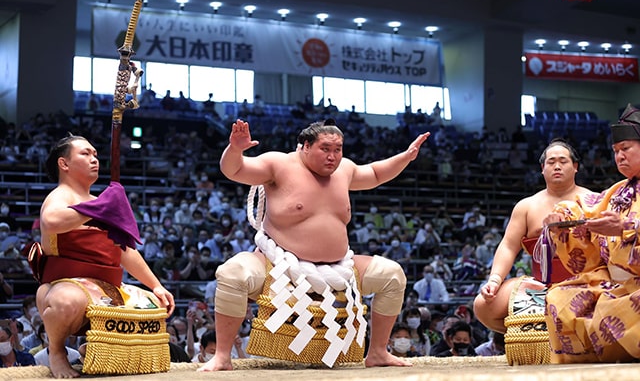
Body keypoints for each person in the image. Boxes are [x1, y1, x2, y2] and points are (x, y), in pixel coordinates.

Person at [199, 119, 430, 371]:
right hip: (279, 267)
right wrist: (235, 149)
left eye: (338, 149)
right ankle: (222, 356)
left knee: (392, 275)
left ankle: (377, 352)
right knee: (232, 273)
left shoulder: (345, 170)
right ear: (305, 146)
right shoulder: (279, 164)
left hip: (339, 270)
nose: (332, 156)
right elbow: (235, 170)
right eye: (325, 149)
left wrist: (406, 156)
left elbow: (375, 173)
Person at [34, 135, 175, 378]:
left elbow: (125, 251)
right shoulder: (60, 196)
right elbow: (51, 221)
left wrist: (156, 285)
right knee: (66, 301)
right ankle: (56, 351)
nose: (94, 159)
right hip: (63, 286)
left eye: (96, 155)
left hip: (108, 287)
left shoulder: (99, 203)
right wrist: (99, 209)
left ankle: (97, 348)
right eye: (85, 154)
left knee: (154, 304)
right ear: (63, 164)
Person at [543, 104, 640, 363]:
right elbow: (587, 207)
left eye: (625, 149)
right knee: (560, 297)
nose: (619, 156)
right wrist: (563, 218)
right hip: (615, 283)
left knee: (620, 310)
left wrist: (625, 228)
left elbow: (622, 225)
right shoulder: (617, 192)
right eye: (616, 151)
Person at [473, 138, 592, 333]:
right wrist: (494, 280)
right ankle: (539, 335)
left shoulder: (593, 201)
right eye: (551, 162)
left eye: (563, 161)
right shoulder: (527, 206)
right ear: (542, 168)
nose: (557, 167)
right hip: (540, 285)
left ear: (575, 166)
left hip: (585, 281)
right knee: (483, 305)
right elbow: (509, 246)